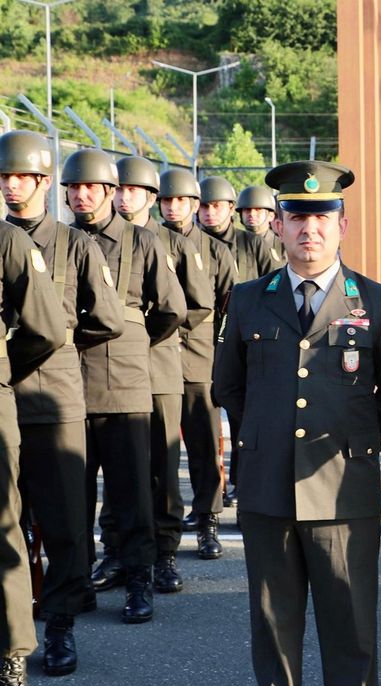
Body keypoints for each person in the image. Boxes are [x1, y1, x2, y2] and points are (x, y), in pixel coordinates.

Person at [213, 160, 381, 686]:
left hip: (344, 490)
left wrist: (354, 439)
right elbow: (227, 385)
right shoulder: (248, 298)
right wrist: (262, 437)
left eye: (323, 217)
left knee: (350, 627)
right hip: (267, 489)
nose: (311, 229)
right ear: (277, 225)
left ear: (342, 226)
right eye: (297, 217)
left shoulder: (379, 302)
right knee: (274, 630)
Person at [0, 130, 122, 678]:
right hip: (7, 402)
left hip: (53, 398)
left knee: (65, 519)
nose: (9, 187)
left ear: (43, 183)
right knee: (11, 522)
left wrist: (55, 345)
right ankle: (17, 623)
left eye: (19, 177)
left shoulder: (77, 246)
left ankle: (61, 625)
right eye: (3, 178)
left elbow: (108, 320)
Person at [66, 148, 186, 625]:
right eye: (73, 189)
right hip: (69, 382)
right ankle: (78, 579)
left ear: (110, 192)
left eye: (90, 187)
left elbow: (171, 308)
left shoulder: (141, 242)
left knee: (132, 488)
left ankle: (140, 577)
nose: (81, 195)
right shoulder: (61, 241)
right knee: (74, 491)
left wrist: (133, 340)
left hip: (125, 382)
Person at [113, 157, 216, 590]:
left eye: (132, 190)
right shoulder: (94, 239)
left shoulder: (169, 243)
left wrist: (145, 337)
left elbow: (195, 305)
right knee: (119, 465)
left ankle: (166, 552)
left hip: (158, 365)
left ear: (149, 197)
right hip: (112, 372)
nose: (123, 196)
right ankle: (120, 552)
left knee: (162, 464)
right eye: (118, 189)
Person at [0, 218, 67, 686]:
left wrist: (3, 367)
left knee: (4, 531)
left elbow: (46, 326)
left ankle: (10, 662)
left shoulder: (8, 241)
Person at [158, 169, 237, 528]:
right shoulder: (148, 240)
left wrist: (224, 364)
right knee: (161, 448)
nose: (173, 208)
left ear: (193, 204)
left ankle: (208, 517)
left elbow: (228, 312)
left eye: (181, 201)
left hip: (199, 357)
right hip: (156, 356)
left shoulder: (217, 251)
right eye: (167, 200)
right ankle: (165, 520)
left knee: (205, 445)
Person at [198, 176, 276, 283]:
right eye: (204, 206)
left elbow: (273, 284)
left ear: (231, 208)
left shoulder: (253, 243)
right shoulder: (189, 243)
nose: (210, 212)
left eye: (217, 206)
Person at [237, 184, 283, 266]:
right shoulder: (232, 245)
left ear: (271, 215)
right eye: (247, 210)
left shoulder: (283, 247)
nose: (252, 214)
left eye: (258, 210)